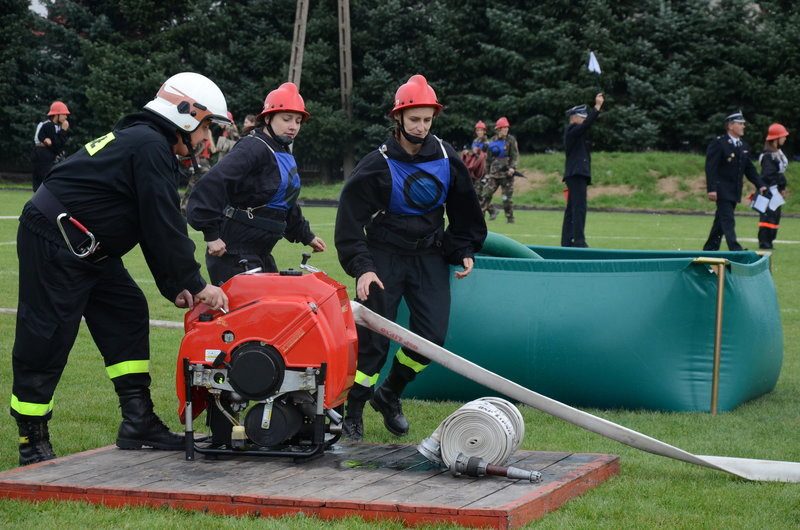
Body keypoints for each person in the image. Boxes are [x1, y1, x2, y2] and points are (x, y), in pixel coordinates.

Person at [10, 72, 230, 466]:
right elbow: (163, 223)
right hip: (55, 237)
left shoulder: (146, 141)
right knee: (47, 334)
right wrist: (197, 284)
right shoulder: (149, 145)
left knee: (127, 311)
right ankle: (32, 439)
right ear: (185, 115)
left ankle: (137, 422)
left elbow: (150, 224)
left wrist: (174, 283)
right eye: (207, 127)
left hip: (87, 245)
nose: (207, 141)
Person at [334, 74, 486, 441]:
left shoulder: (449, 159)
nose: (421, 127)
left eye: (427, 119)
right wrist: (363, 268)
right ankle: (352, 409)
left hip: (429, 257)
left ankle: (390, 393)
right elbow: (349, 225)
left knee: (431, 337)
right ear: (398, 118)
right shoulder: (376, 164)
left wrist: (463, 248)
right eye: (414, 119)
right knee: (374, 339)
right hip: (383, 257)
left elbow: (465, 210)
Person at [187, 82, 326, 286]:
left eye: (298, 121)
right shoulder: (253, 147)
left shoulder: (282, 152)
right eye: (286, 119)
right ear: (267, 118)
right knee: (249, 316)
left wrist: (306, 236)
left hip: (261, 252)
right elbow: (212, 183)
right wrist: (211, 234)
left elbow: (285, 202)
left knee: (274, 311)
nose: (293, 126)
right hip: (234, 252)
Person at [702, 111, 766, 251]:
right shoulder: (719, 143)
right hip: (722, 189)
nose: (743, 126)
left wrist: (760, 184)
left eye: (743, 124)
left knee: (720, 222)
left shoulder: (743, 146)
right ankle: (735, 249)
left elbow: (749, 168)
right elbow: (711, 168)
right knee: (728, 219)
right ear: (730, 126)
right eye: (740, 124)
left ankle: (710, 249)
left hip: (734, 190)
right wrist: (711, 189)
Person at [561, 93, 604, 247]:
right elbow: (587, 125)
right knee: (579, 208)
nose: (584, 120)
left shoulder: (577, 133)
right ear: (574, 118)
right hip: (576, 174)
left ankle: (567, 241)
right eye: (582, 117)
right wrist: (597, 107)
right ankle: (579, 241)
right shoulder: (572, 130)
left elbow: (587, 127)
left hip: (577, 174)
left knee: (572, 209)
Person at [479, 117, 519, 223]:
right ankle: (479, 218)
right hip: (493, 174)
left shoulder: (511, 140)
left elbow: (515, 156)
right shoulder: (492, 141)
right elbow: (488, 159)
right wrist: (486, 173)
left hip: (507, 175)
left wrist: (512, 168)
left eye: (507, 128)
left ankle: (510, 219)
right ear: (498, 129)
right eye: (504, 128)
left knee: (506, 199)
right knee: (485, 195)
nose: (506, 130)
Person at [756, 123, 790, 249]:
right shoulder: (768, 155)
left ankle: (769, 241)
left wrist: (781, 188)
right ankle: (765, 243)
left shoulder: (777, 153)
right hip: (769, 191)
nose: (785, 138)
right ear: (776, 138)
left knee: (775, 217)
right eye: (783, 136)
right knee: (768, 218)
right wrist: (781, 185)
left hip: (775, 190)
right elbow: (769, 175)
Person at [31, 101, 71, 192]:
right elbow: (57, 145)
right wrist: (64, 130)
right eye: (64, 114)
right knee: (47, 179)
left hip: (39, 152)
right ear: (57, 115)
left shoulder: (47, 124)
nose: (66, 117)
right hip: (44, 154)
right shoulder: (50, 126)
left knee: (38, 181)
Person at [179, 126, 216, 216]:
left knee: (193, 188)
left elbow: (212, 150)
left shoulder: (201, 132)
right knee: (198, 188)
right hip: (204, 164)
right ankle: (186, 210)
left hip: (201, 164)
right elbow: (213, 150)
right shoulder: (204, 132)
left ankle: (184, 210)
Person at [461, 120, 489, 196]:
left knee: (478, 193)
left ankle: (485, 206)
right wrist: (467, 153)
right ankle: (487, 206)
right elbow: (473, 154)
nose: (479, 132)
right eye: (477, 130)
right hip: (473, 169)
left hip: (482, 170)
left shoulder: (487, 142)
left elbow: (485, 156)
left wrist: (478, 152)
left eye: (481, 130)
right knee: (472, 191)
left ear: (484, 131)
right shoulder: (475, 141)